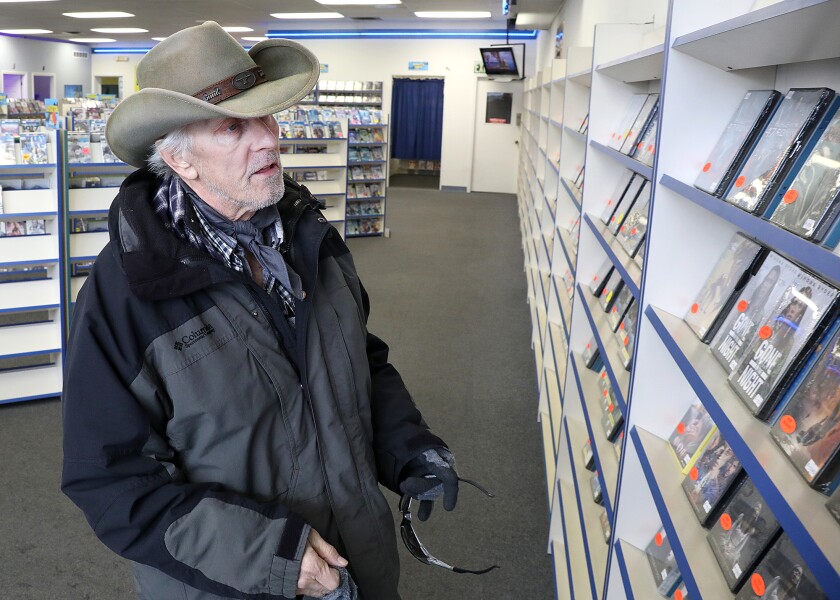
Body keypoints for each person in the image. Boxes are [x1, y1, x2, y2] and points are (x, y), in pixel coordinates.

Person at [61, 22, 459, 600]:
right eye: (233, 128)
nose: (269, 139)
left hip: (358, 558)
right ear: (182, 161)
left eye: (267, 117)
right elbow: (110, 480)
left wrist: (407, 447)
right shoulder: (125, 293)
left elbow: (358, 363)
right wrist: (273, 555)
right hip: (234, 582)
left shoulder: (311, 239)